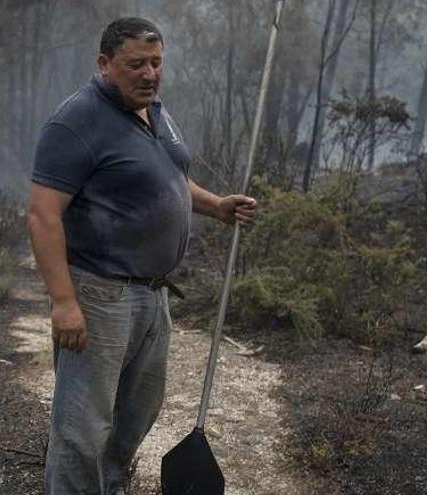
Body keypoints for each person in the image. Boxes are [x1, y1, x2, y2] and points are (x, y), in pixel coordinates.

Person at [27, 17, 256, 495]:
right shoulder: (76, 122)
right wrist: (63, 302)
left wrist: (215, 205)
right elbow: (42, 216)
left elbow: (166, 176)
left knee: (137, 415)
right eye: (136, 65)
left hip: (153, 297)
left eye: (156, 63)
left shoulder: (153, 110)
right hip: (99, 295)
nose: (149, 74)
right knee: (82, 427)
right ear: (105, 64)